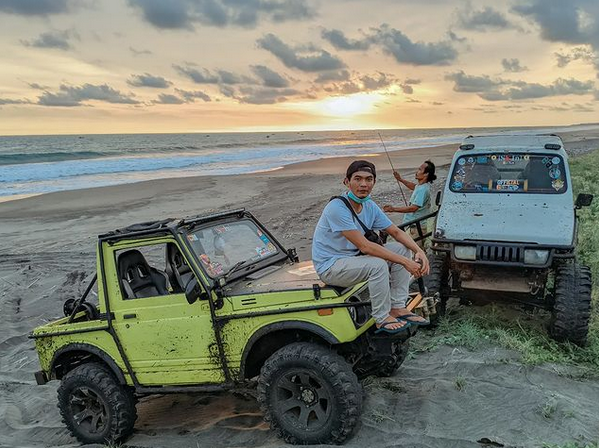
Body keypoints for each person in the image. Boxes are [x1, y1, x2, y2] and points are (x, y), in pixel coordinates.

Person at [312, 160, 430, 334]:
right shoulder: (336, 207)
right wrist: (406, 262)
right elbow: (365, 246)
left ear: (374, 182)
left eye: (368, 179)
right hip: (331, 266)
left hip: (354, 259)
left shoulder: (369, 205)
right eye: (357, 179)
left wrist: (419, 251)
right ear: (347, 182)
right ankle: (381, 318)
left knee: (401, 248)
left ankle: (397, 306)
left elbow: (396, 232)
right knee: (378, 265)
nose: (363, 184)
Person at [383, 160, 436, 247]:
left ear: (426, 174)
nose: (417, 171)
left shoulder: (422, 190)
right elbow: (414, 187)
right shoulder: (421, 186)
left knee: (414, 251)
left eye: (419, 169)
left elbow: (413, 208)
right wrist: (400, 179)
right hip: (416, 226)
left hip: (415, 228)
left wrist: (393, 209)